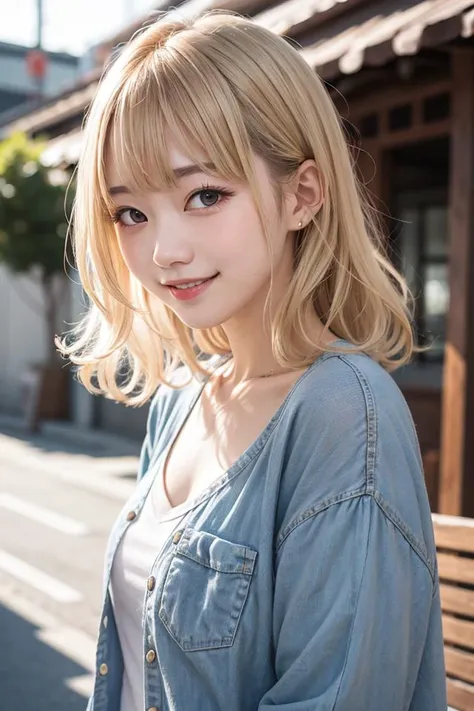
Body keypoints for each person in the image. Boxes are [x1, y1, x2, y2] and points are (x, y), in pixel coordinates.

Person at [58, 11, 447, 711]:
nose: (163, 250)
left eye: (204, 195)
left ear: (301, 194)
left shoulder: (341, 414)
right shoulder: (181, 397)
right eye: (131, 213)